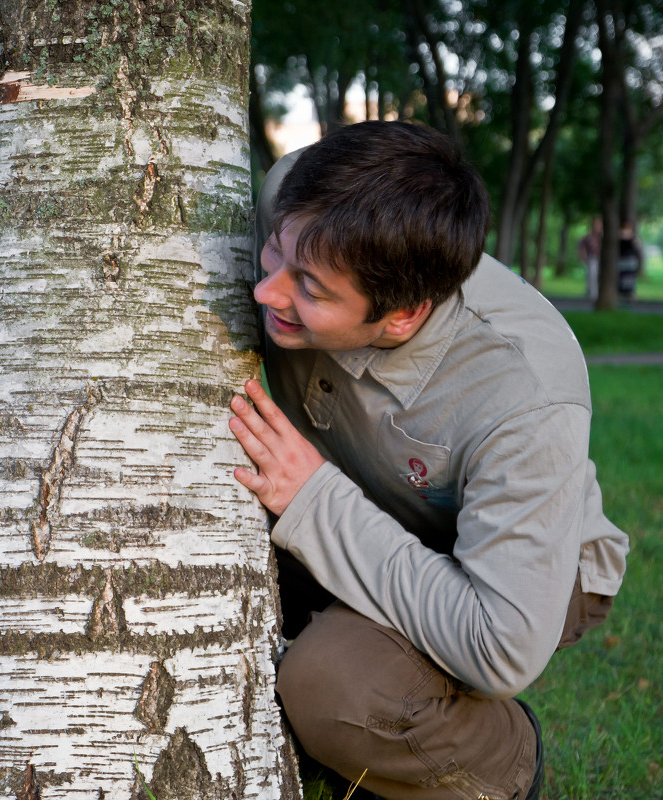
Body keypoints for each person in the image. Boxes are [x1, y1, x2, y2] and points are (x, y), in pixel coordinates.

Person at [228, 122, 628, 800]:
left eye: (310, 289)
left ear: (404, 316)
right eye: (275, 250)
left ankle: (504, 763)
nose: (267, 292)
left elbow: (500, 644)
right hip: (372, 498)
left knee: (334, 685)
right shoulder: (297, 197)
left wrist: (314, 501)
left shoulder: (525, 399)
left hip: (520, 579)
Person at [617, 222, 644, 301]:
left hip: (630, 260)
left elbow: (638, 248)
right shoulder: (619, 236)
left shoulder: (634, 237)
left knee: (630, 277)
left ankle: (630, 294)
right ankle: (622, 293)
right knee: (621, 277)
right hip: (622, 260)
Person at [576, 217, 602, 299]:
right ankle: (593, 294)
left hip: (602, 260)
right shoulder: (588, 236)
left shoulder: (603, 236)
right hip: (592, 258)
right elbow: (582, 247)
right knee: (592, 276)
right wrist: (583, 256)